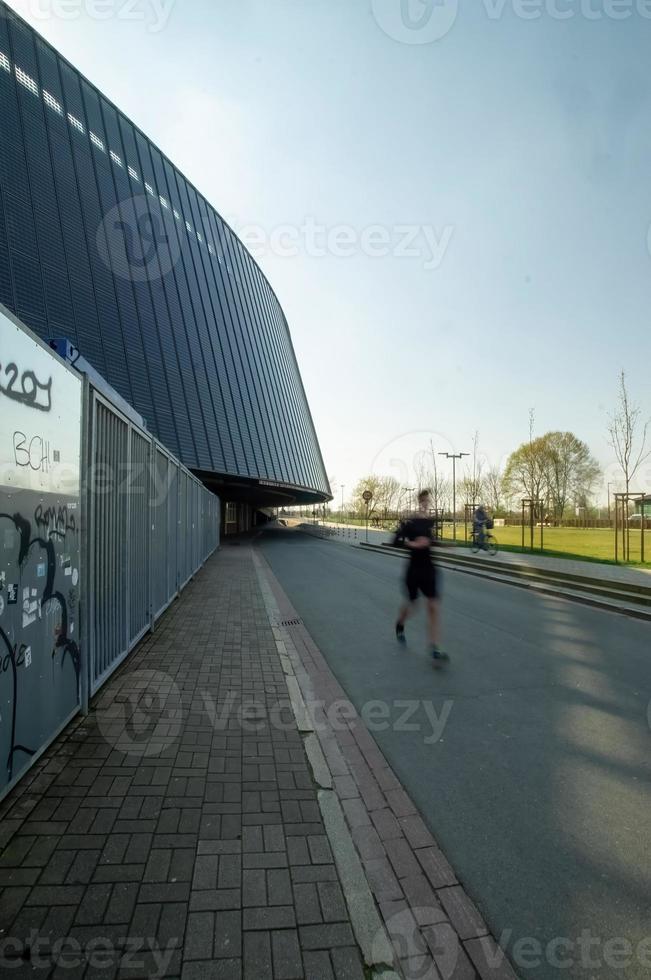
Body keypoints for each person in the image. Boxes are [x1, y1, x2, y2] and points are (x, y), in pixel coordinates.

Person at [394, 489, 448, 663]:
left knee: (433, 606)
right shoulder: (409, 521)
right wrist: (413, 544)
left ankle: (434, 647)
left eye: (428, 501)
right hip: (414, 570)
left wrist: (443, 545)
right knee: (413, 604)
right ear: (419, 501)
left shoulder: (429, 523)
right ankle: (400, 623)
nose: (426, 504)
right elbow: (395, 541)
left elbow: (430, 541)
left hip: (429, 568)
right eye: (424, 501)